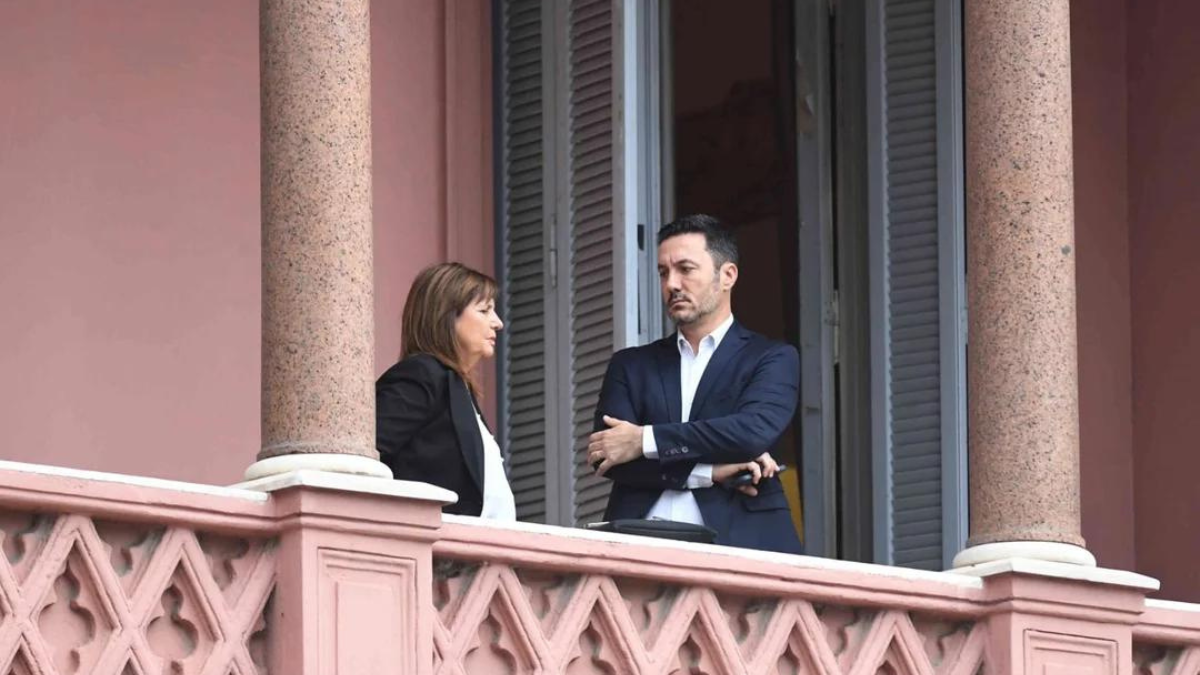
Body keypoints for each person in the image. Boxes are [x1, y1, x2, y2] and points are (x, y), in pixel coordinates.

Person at [587, 214, 803, 554]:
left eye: (685, 269)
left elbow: (750, 432)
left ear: (727, 275)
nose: (672, 284)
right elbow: (608, 455)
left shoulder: (772, 358)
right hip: (636, 551)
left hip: (741, 553)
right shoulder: (631, 365)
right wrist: (710, 471)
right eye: (663, 272)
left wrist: (645, 439)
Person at [376, 262, 515, 520]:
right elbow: (368, 454)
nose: (498, 323)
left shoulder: (455, 387)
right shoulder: (422, 375)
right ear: (448, 316)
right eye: (485, 310)